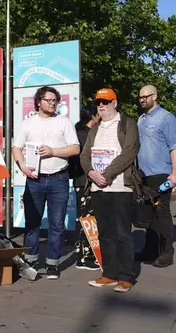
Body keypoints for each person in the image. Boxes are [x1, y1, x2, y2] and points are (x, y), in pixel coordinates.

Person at [12, 86, 80, 280]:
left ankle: (52, 263)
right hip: (34, 179)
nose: (52, 103)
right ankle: (31, 260)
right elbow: (16, 148)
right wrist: (22, 166)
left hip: (59, 178)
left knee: (57, 223)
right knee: (32, 222)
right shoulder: (28, 123)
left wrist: (53, 152)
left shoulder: (64, 122)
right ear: (38, 102)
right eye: (48, 100)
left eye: (54, 100)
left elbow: (75, 148)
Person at [80, 88, 139, 293]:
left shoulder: (127, 124)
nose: (101, 106)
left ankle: (126, 276)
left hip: (121, 186)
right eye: (98, 102)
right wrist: (90, 172)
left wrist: (108, 174)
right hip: (98, 187)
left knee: (123, 233)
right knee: (105, 233)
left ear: (115, 103)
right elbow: (84, 155)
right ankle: (109, 274)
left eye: (105, 101)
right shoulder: (94, 129)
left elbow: (130, 151)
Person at [136, 85, 176, 268]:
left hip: (161, 174)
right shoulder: (140, 119)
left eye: (146, 96)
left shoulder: (166, 118)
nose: (142, 99)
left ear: (155, 96)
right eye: (140, 97)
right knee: (148, 213)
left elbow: (174, 146)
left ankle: (166, 252)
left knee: (162, 212)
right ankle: (150, 249)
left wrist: (175, 173)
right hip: (143, 175)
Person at [72, 105, 101, 270]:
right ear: (94, 116)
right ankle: (84, 256)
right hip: (86, 181)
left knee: (84, 218)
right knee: (88, 219)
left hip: (81, 181)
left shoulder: (79, 134)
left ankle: (84, 255)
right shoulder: (88, 135)